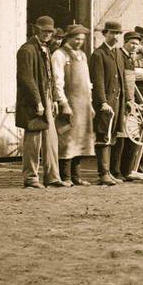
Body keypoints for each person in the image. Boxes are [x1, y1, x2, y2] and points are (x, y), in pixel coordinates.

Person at [16, 16, 66, 190]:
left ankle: (52, 177)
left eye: (50, 32)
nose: (47, 34)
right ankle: (30, 178)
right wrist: (37, 101)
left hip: (46, 97)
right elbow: (26, 78)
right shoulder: (27, 50)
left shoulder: (45, 49)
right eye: (44, 31)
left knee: (51, 139)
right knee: (33, 140)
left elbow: (48, 77)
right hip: (33, 100)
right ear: (36, 30)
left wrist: (51, 99)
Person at [51, 25, 94, 187]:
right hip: (69, 103)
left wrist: (89, 104)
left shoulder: (82, 55)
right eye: (76, 38)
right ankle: (65, 176)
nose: (79, 42)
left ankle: (77, 176)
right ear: (68, 38)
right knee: (67, 139)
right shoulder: (60, 55)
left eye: (82, 39)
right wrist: (64, 103)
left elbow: (87, 82)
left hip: (83, 104)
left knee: (80, 139)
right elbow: (57, 81)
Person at [90, 21, 131, 184]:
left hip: (118, 102)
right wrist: (102, 102)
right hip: (106, 104)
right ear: (105, 34)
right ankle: (103, 173)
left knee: (113, 135)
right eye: (112, 33)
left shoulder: (118, 54)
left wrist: (127, 99)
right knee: (103, 136)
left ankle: (110, 172)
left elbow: (123, 79)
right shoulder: (98, 54)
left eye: (118, 34)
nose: (115, 36)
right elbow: (97, 81)